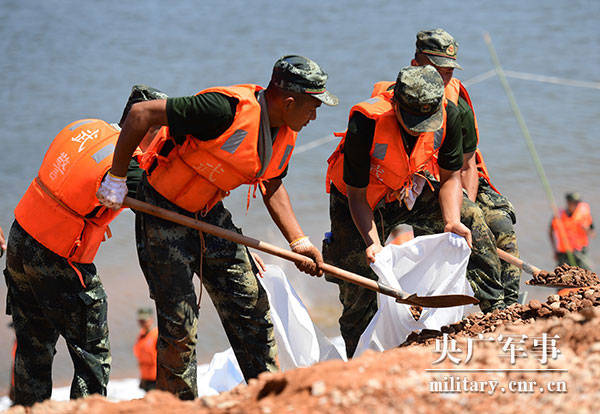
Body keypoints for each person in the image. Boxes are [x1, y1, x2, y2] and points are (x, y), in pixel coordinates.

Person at [96, 55, 338, 400]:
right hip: (163, 212)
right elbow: (141, 114)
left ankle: (267, 394)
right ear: (288, 102)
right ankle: (180, 406)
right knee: (179, 325)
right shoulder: (222, 109)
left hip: (209, 214)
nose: (314, 116)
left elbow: (272, 185)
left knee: (250, 301)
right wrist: (118, 178)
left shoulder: (285, 131)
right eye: (312, 107)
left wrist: (298, 241)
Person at [323, 65, 504, 358]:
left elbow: (449, 178)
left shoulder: (450, 114)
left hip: (409, 188)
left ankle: (498, 313)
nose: (419, 127)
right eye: (412, 120)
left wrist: (452, 221)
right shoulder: (365, 121)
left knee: (472, 218)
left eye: (426, 120)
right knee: (358, 284)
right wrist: (374, 245)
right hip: (359, 201)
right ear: (396, 104)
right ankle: (360, 356)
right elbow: (356, 196)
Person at [2, 85, 165, 406]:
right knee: (91, 347)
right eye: (160, 134)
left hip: (21, 239)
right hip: (59, 254)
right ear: (148, 129)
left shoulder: (86, 127)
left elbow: (69, 179)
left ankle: (27, 410)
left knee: (33, 345)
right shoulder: (124, 163)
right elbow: (164, 200)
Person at [371, 28, 521, 307]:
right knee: (365, 266)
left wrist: (465, 209)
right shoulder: (402, 98)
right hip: (406, 183)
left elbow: (466, 165)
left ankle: (506, 308)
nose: (442, 78)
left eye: (448, 70)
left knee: (497, 223)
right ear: (415, 65)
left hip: (453, 179)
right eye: (436, 69)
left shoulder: (456, 104)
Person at [550, 192, 595, 270]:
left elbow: (592, 233)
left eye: (577, 203)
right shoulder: (559, 216)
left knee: (587, 273)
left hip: (579, 252)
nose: (575, 205)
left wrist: (585, 229)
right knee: (559, 275)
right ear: (568, 202)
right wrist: (554, 250)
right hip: (564, 253)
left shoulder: (583, 215)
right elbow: (550, 232)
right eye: (573, 202)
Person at [133, 308, 158, 392]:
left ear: (151, 319)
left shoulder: (156, 335)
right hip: (146, 378)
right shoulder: (141, 335)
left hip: (156, 378)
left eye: (144, 320)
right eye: (140, 321)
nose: (142, 323)